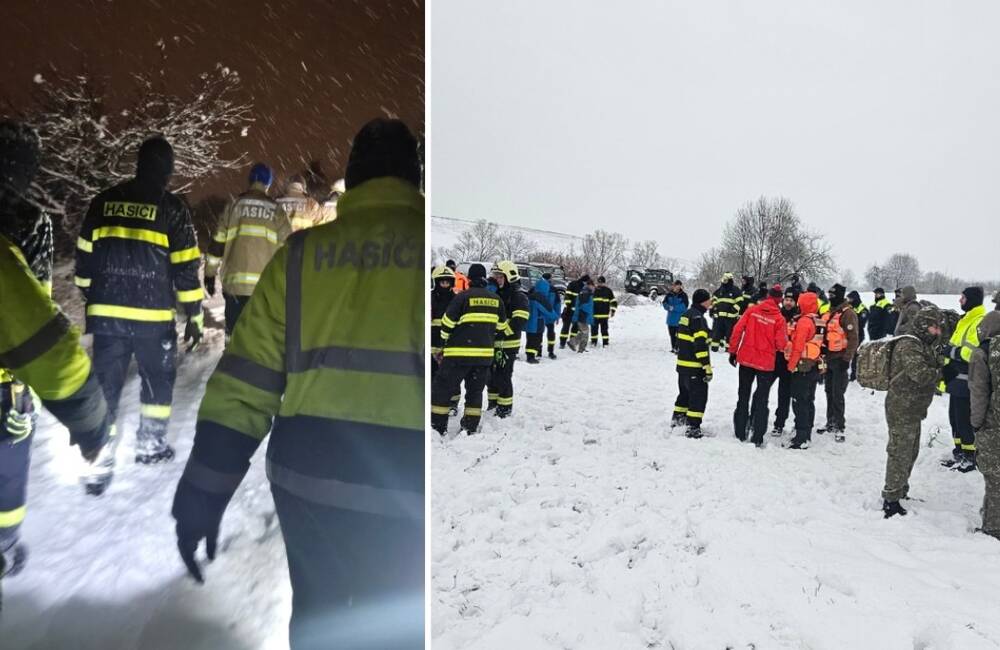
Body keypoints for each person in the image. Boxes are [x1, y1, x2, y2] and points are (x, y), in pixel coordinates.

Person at [172, 118, 424, 649]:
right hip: (408, 484)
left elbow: (245, 382)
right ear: (413, 176)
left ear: (352, 181)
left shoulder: (302, 257)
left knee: (320, 614)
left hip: (311, 477)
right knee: (402, 619)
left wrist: (205, 486)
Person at [74, 136, 204, 468]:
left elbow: (84, 256)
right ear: (169, 169)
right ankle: (150, 444)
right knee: (157, 380)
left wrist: (91, 292)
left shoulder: (103, 201)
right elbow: (187, 266)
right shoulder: (172, 209)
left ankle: (100, 449)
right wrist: (194, 314)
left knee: (106, 382)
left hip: (107, 315)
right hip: (152, 317)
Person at [205, 163, 292, 335]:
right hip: (265, 291)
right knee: (261, 340)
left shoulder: (233, 206)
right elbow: (289, 250)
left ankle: (231, 360)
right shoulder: (277, 211)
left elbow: (217, 245)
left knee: (233, 339)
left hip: (235, 289)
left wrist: (209, 274)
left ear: (250, 180)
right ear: (268, 183)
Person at [882, 307, 946, 518]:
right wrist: (942, 373)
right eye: (933, 327)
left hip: (913, 408)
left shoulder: (922, 344)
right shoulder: (909, 344)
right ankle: (891, 499)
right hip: (902, 407)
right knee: (900, 452)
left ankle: (901, 490)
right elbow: (919, 374)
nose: (937, 332)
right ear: (922, 325)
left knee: (910, 452)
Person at [432, 263, 506, 436]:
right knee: (474, 392)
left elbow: (447, 324)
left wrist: (443, 341)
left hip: (458, 355)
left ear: (470, 279)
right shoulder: (496, 300)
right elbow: (502, 327)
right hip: (483, 357)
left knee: (443, 389)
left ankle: (437, 426)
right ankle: (470, 427)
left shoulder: (462, 297)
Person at [728, 284, 788, 446]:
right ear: (779, 300)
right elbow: (781, 344)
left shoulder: (752, 310)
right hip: (766, 364)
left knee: (743, 395)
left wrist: (733, 351)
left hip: (746, 360)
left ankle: (740, 431)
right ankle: (757, 435)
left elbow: (737, 330)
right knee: (762, 399)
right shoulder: (779, 319)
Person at [939, 287, 987, 471]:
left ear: (972, 300)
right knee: (955, 418)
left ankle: (970, 456)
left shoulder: (979, 320)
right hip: (955, 377)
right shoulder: (965, 319)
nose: (960, 300)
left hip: (967, 379)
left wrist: (950, 352)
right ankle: (959, 451)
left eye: (963, 297)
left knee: (964, 419)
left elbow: (973, 352)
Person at [969, 310, 1000, 539]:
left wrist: (976, 424)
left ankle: (992, 527)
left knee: (994, 476)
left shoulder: (984, 352)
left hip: (993, 421)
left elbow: (979, 392)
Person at [486, 261, 529, 417]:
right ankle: (492, 404)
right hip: (493, 343)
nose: (496, 279)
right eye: (495, 276)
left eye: (499, 276)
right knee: (490, 376)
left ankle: (504, 408)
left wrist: (503, 332)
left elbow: (521, 319)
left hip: (508, 345)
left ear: (508, 276)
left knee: (503, 376)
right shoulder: (496, 293)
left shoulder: (518, 295)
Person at [783, 292, 824, 449]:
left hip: (802, 365)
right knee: (808, 400)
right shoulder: (818, 320)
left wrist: (791, 365)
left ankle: (801, 437)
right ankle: (806, 432)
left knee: (799, 401)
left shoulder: (804, 322)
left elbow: (798, 346)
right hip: (814, 364)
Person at [819, 284, 860, 441]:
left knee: (838, 393)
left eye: (833, 294)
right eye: (829, 293)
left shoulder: (848, 314)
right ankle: (830, 422)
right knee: (829, 391)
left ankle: (840, 426)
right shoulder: (831, 312)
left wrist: (847, 359)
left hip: (840, 358)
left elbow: (853, 338)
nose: (830, 296)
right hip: (829, 357)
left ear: (840, 295)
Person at [673, 289, 713, 438]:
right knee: (698, 397)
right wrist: (707, 367)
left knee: (684, 395)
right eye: (709, 300)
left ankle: (677, 420)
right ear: (703, 301)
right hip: (694, 368)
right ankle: (693, 427)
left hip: (682, 366)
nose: (711, 303)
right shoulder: (698, 319)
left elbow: (681, 339)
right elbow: (700, 346)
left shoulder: (686, 315)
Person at [772, 287, 799, 436]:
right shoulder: (777, 315)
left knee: (784, 394)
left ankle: (779, 424)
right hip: (775, 359)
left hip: (789, 363)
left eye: (791, 300)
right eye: (786, 300)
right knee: (762, 391)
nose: (788, 303)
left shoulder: (799, 317)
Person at [524, 275, 560, 363]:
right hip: (537, 322)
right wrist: (556, 316)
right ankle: (531, 357)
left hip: (529, 322)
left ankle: (531, 355)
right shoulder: (541, 298)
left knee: (530, 340)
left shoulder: (531, 294)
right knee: (536, 339)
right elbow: (549, 311)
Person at [710, 273, 741, 352]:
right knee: (716, 332)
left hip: (730, 318)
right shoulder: (719, 290)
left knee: (729, 334)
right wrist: (713, 308)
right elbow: (713, 300)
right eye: (723, 280)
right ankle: (714, 348)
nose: (724, 281)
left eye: (726, 280)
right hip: (719, 317)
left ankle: (729, 348)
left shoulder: (736, 290)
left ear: (730, 280)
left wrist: (734, 309)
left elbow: (740, 302)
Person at [560, 274, 588, 348]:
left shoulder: (583, 287)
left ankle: (571, 342)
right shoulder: (574, 284)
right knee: (567, 326)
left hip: (577, 311)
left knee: (574, 327)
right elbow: (568, 295)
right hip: (570, 310)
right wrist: (569, 306)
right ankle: (562, 343)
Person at [569, 277, 595, 353]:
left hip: (583, 315)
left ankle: (573, 342)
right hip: (583, 316)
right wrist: (588, 313)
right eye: (593, 286)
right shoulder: (586, 293)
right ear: (590, 285)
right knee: (585, 332)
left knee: (583, 332)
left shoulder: (585, 292)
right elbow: (584, 306)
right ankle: (581, 349)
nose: (594, 288)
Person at [591, 276, 617, 347]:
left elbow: (613, 301)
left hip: (604, 315)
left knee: (604, 330)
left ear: (604, 283)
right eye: (599, 282)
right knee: (594, 330)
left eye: (601, 282)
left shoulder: (608, 291)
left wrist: (613, 310)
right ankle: (594, 342)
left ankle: (605, 343)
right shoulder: (593, 290)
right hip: (594, 315)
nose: (600, 284)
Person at [663, 280, 689, 354]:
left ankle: (678, 348)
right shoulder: (669, 295)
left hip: (680, 320)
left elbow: (684, 306)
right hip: (670, 320)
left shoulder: (684, 295)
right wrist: (668, 307)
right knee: (672, 335)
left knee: (679, 335)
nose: (677, 287)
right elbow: (664, 303)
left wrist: (673, 308)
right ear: (673, 286)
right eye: (676, 286)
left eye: (679, 286)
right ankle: (673, 348)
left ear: (680, 286)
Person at [848, 290, 869, 381]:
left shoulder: (862, 308)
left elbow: (862, 321)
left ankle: (854, 373)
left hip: (858, 334)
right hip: (848, 334)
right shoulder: (848, 306)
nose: (849, 300)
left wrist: (851, 323)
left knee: (855, 355)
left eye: (851, 298)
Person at [542, 272, 561, 359]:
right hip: (549, 315)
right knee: (550, 334)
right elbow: (557, 304)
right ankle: (551, 352)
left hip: (541, 316)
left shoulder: (537, 288)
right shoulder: (554, 289)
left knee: (539, 334)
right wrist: (557, 315)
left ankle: (538, 351)